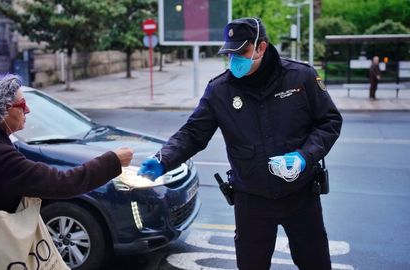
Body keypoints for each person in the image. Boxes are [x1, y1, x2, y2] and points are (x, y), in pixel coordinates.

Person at [138, 18, 342, 269]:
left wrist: (304, 156)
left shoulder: (300, 77)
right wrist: (163, 159)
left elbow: (329, 121)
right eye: (230, 53)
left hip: (300, 195)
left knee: (316, 263)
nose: (234, 58)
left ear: (261, 48)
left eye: (241, 51)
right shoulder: (220, 90)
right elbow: (193, 133)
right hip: (251, 200)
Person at [0, 73, 134, 269]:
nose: (27, 110)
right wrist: (113, 161)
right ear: (1, 111)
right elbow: (63, 183)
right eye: (21, 104)